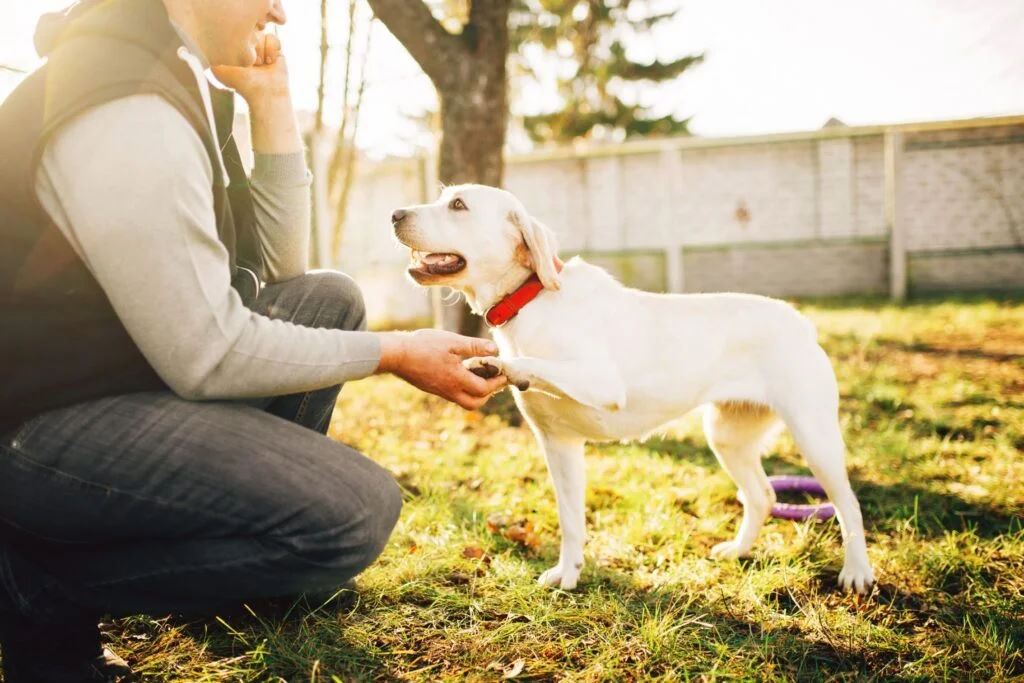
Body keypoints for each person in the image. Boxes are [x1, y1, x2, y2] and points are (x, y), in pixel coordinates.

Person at [0, 0, 507, 680]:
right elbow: (207, 353)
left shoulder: (174, 74)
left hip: (118, 377)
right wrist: (394, 353)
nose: (279, 12)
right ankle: (39, 587)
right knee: (354, 512)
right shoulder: (124, 101)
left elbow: (284, 276)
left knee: (328, 299)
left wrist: (272, 107)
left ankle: (227, 579)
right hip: (32, 427)